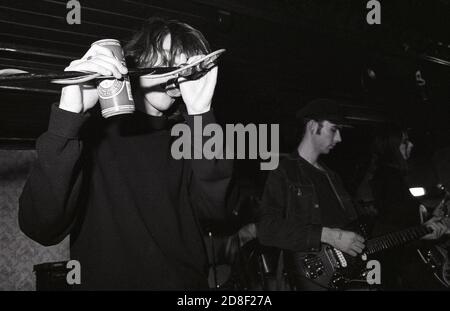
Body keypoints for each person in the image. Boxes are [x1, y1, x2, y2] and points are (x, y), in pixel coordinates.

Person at [18, 16, 232, 290]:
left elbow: (219, 211)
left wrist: (201, 114)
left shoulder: (190, 136)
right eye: (167, 58)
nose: (178, 72)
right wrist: (69, 117)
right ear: (136, 61)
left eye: (187, 65)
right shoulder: (90, 136)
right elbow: (40, 228)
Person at [257, 98, 365, 290]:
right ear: (313, 126)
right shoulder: (284, 171)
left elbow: (358, 225)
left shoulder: (333, 176)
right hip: (309, 279)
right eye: (333, 129)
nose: (339, 138)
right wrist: (326, 235)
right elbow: (267, 230)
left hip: (348, 277)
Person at [368, 126, 447, 289]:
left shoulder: (393, 176)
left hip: (395, 258)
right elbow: (392, 225)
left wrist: (429, 217)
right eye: (405, 142)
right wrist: (421, 234)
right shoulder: (388, 178)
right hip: (392, 261)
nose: (410, 145)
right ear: (392, 147)